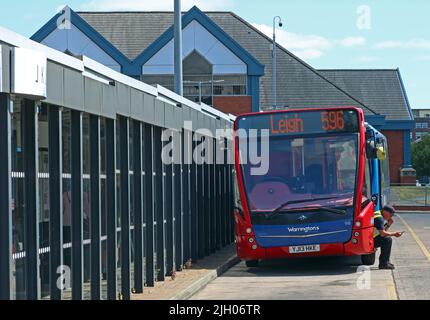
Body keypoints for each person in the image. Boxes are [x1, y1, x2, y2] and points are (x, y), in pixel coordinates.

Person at [374, 205, 404, 270]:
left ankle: (386, 262)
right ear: (385, 212)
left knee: (387, 239)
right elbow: (382, 234)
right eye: (390, 215)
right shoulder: (379, 218)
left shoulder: (378, 214)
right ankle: (383, 264)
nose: (391, 217)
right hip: (370, 240)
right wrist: (394, 234)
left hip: (370, 238)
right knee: (387, 240)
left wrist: (388, 224)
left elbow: (383, 232)